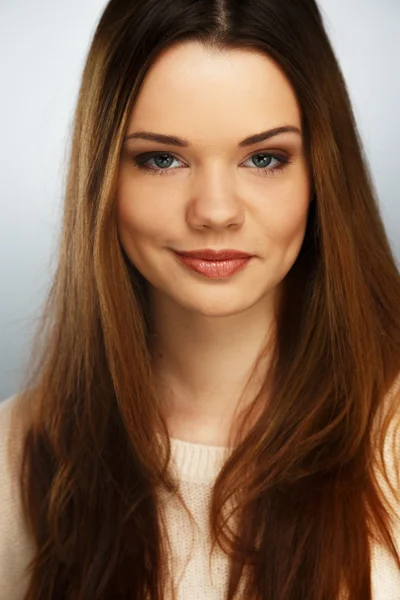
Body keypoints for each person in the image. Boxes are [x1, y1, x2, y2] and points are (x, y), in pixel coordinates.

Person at [1, 0, 400, 598]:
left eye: (264, 158)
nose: (215, 211)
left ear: (323, 174)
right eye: (162, 159)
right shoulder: (14, 458)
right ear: (104, 177)